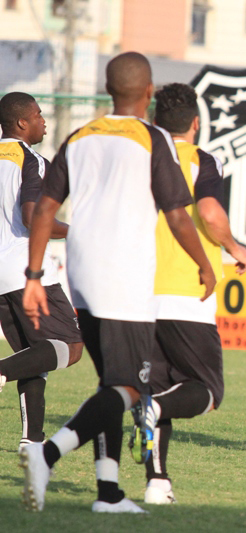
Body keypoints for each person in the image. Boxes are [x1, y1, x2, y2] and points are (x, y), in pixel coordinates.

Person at [20, 52, 216, 513]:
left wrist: (33, 276)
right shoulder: (152, 140)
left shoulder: (79, 137)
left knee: (111, 384)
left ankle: (108, 493)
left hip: (83, 275)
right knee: (130, 390)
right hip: (126, 279)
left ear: (110, 90)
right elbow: (176, 215)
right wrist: (204, 263)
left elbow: (46, 209)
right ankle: (45, 456)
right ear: (148, 92)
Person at [139, 82, 246, 504]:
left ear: (155, 121)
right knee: (206, 390)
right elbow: (208, 211)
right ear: (196, 123)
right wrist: (234, 246)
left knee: (159, 389)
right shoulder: (201, 160)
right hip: (187, 290)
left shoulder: (141, 159)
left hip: (138, 292)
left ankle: (157, 482)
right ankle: (152, 422)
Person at [0, 92, 83, 450]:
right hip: (24, 269)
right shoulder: (31, 159)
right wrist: (81, 232)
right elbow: (34, 218)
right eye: (37, 114)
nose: (43, 120)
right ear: (22, 123)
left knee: (35, 356)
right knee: (72, 346)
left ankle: (32, 440)